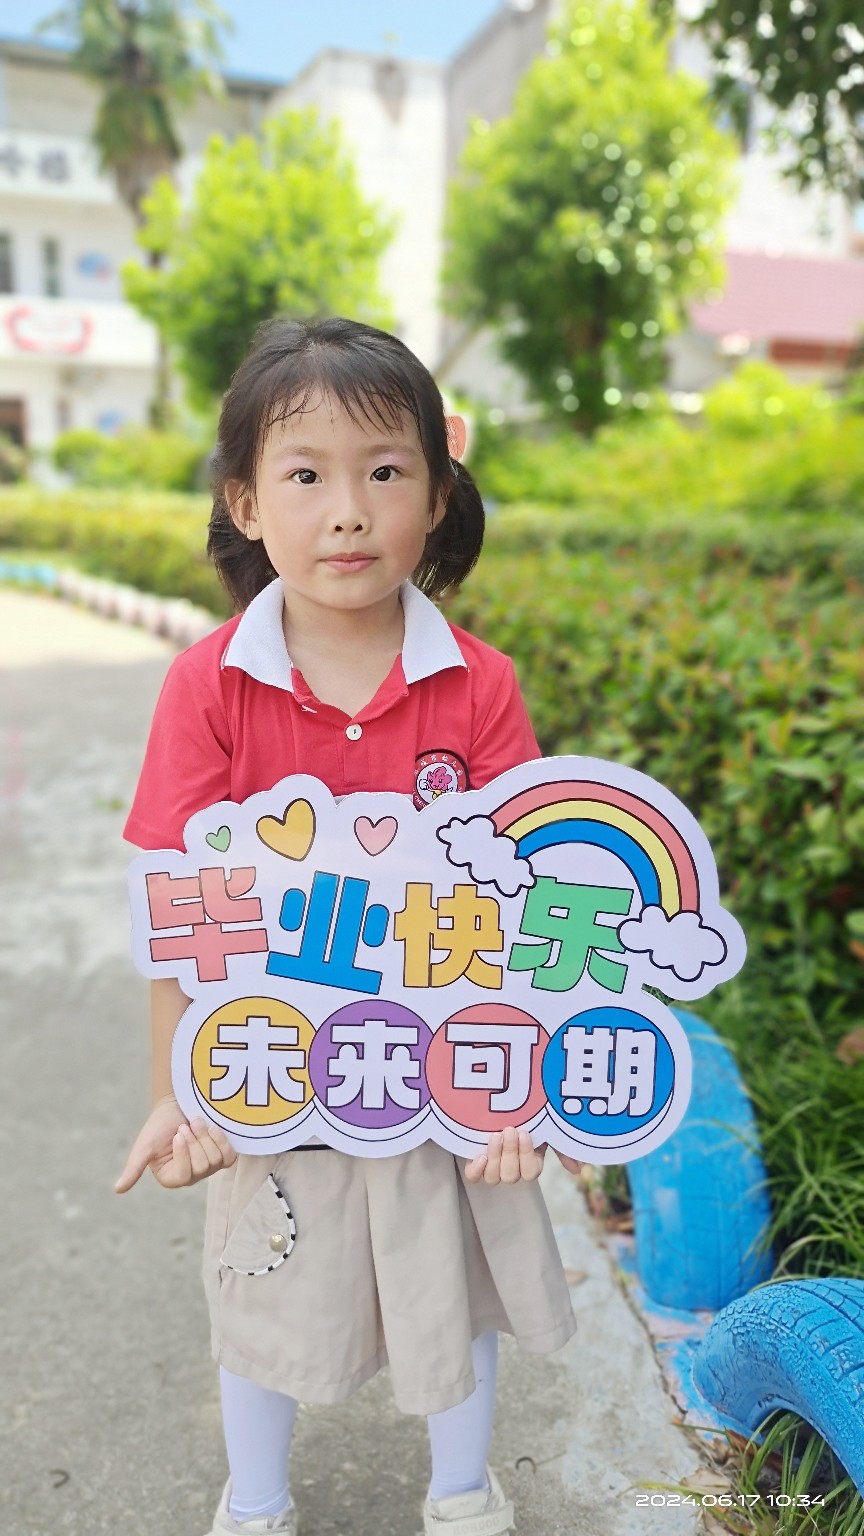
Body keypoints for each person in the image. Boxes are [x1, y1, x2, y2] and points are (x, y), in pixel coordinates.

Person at [116, 316, 579, 1536]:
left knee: (458, 1281)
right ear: (244, 502)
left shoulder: (480, 683)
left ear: (438, 491)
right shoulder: (207, 683)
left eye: (385, 471)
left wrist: (518, 1082)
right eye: (306, 475)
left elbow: (521, 899)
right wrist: (180, 1091)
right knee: (262, 1284)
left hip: (438, 1064)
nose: (349, 513)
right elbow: (181, 904)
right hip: (272, 1058)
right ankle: (256, 1498)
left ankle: (462, 1491)